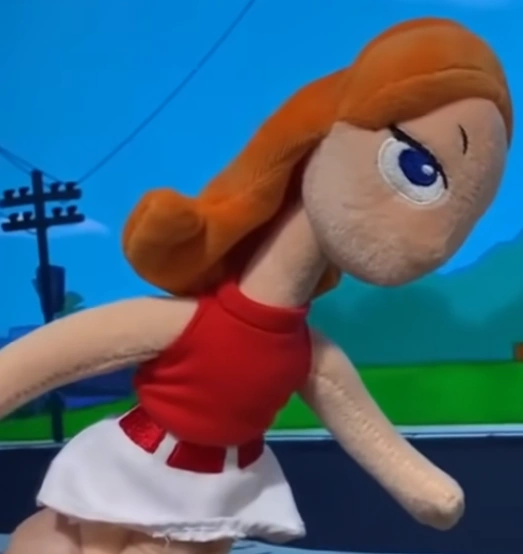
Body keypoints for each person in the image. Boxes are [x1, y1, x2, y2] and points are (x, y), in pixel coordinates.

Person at [2, 16, 512, 554]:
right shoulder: (184, 321)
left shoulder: (311, 355)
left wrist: (427, 488)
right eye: (417, 168)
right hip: (138, 463)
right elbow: (58, 354)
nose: (437, 243)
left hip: (220, 489)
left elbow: (369, 430)